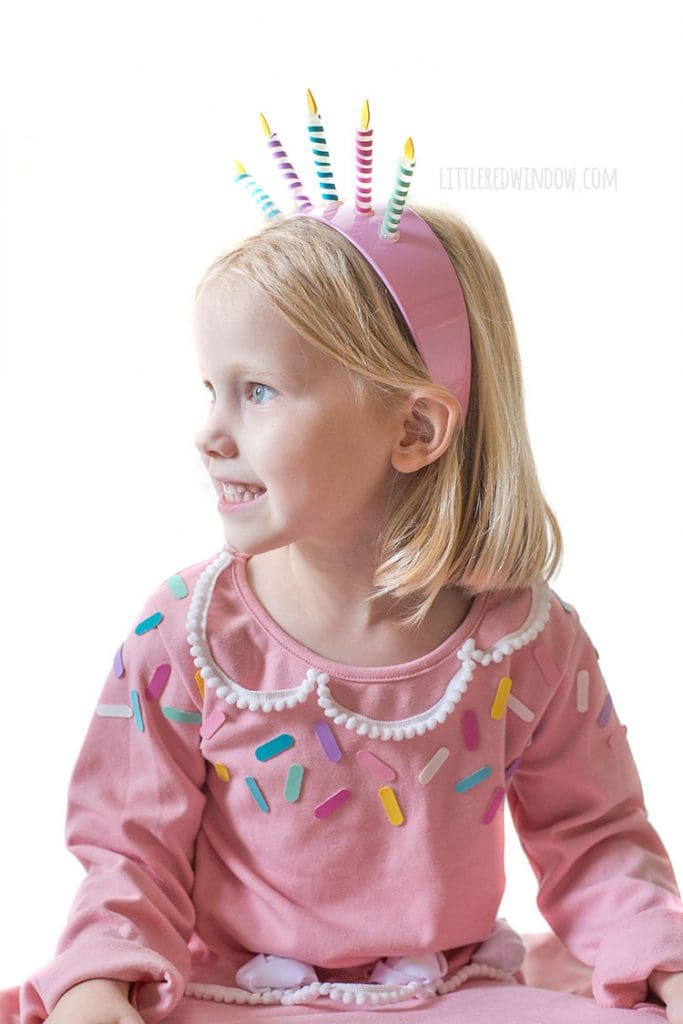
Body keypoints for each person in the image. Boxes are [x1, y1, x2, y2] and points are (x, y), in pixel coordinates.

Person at [5, 194, 683, 1024]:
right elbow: (128, 851)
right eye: (211, 389)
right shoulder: (186, 633)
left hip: (451, 995)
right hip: (237, 998)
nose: (208, 433)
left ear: (414, 430)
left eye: (257, 391)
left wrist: (665, 965)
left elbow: (595, 840)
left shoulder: (527, 640)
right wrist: (97, 978)